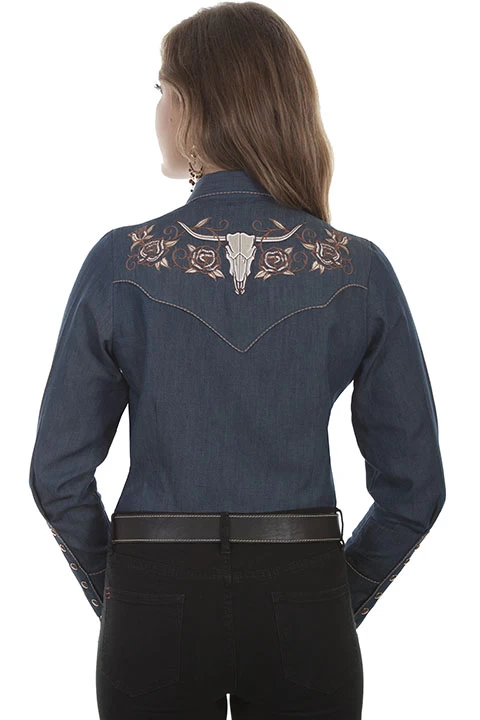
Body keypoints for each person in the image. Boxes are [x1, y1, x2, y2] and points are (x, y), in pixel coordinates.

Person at [28, 3, 446, 719]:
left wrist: (122, 593)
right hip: (303, 590)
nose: (156, 110)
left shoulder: (123, 261)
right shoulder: (355, 268)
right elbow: (416, 489)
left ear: (194, 106)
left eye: (161, 90)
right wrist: (331, 597)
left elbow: (57, 473)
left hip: (155, 590)